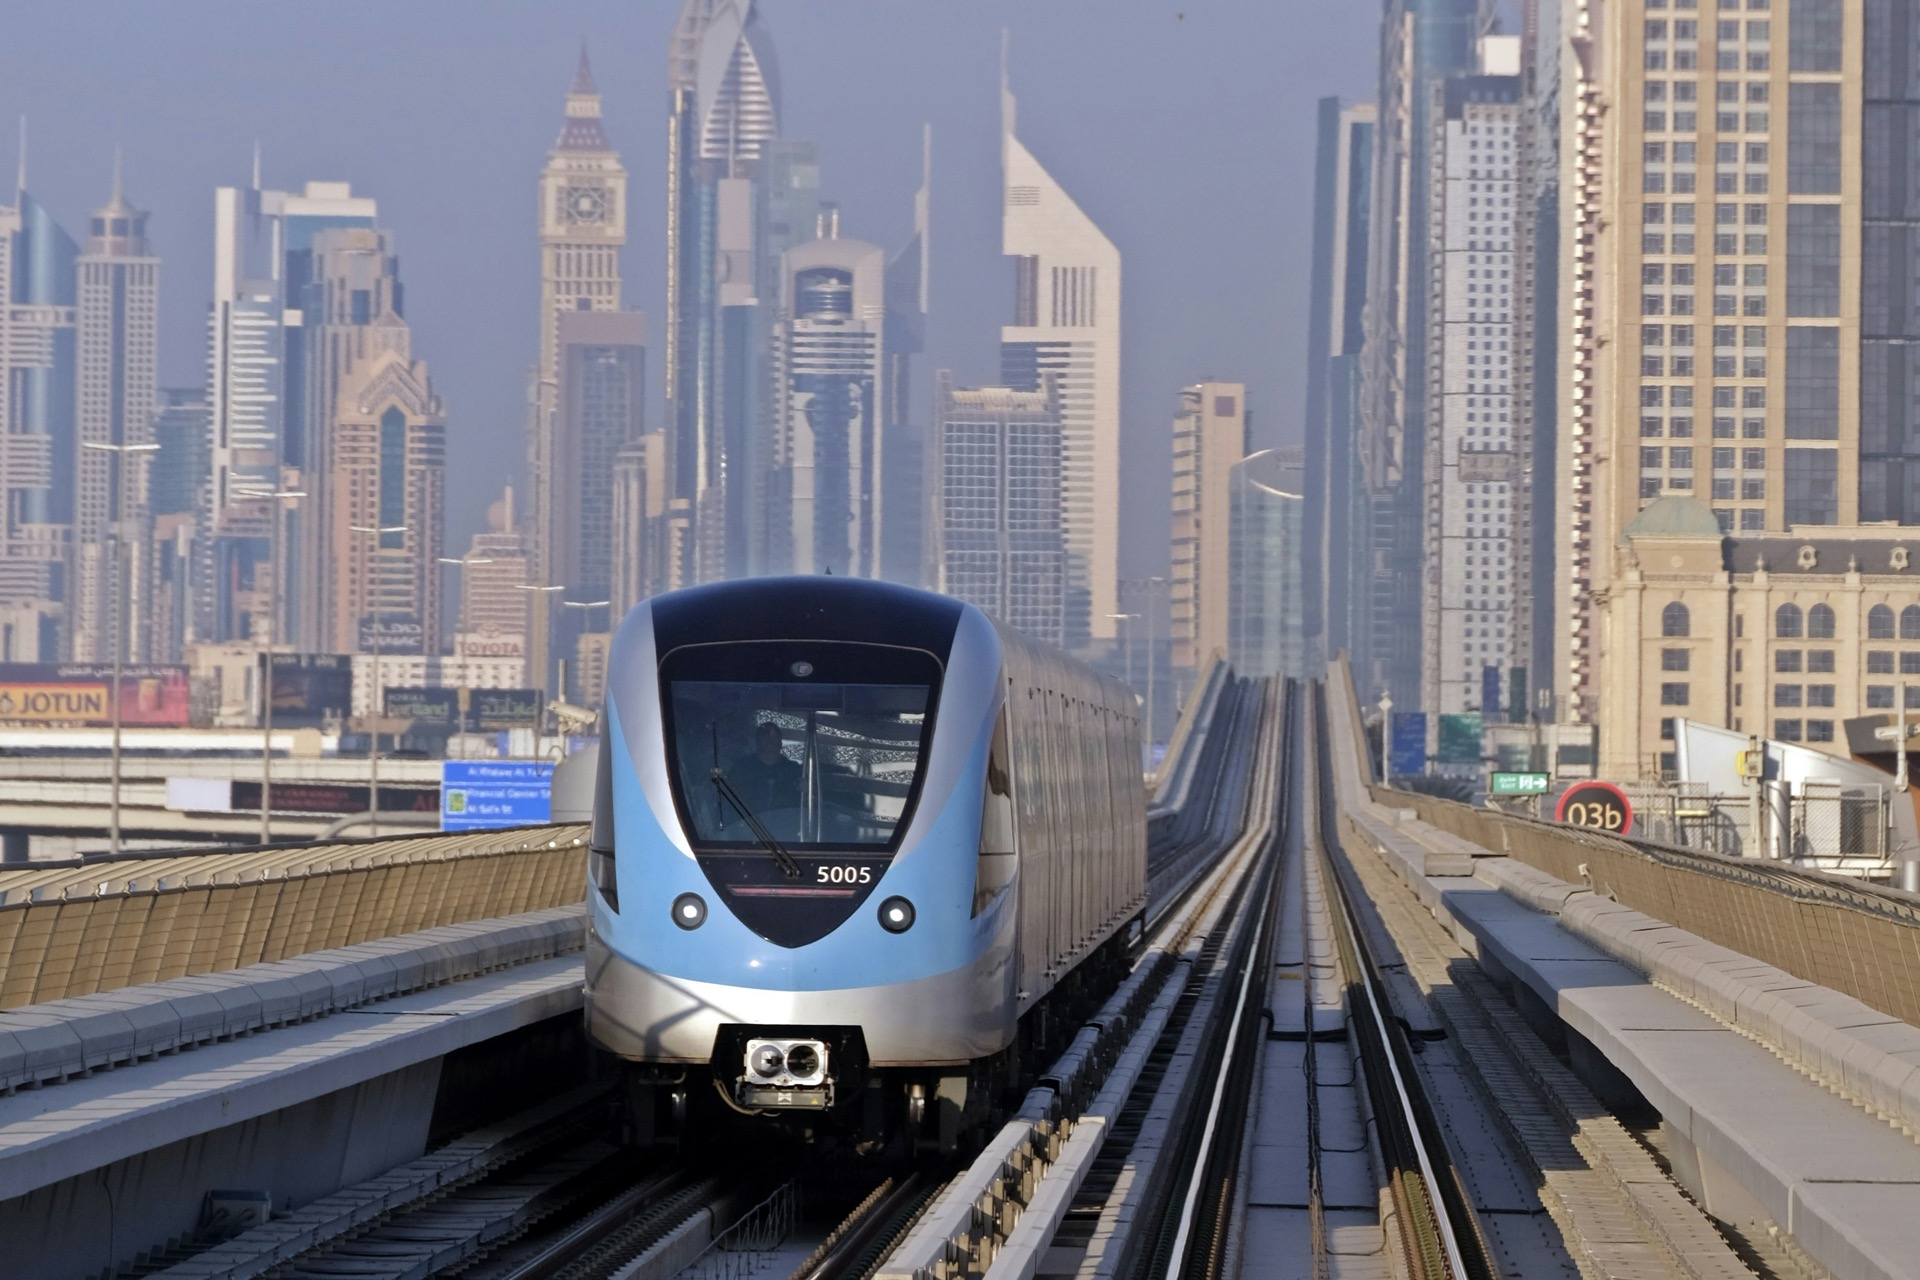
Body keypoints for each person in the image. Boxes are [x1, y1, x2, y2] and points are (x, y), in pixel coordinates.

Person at [725, 720, 805, 819]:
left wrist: (806, 791)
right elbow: (729, 803)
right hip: (748, 826)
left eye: (774, 736)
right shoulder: (741, 769)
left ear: (781, 743)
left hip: (786, 825)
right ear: (757, 742)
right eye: (765, 735)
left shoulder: (794, 771)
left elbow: (805, 805)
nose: (770, 739)